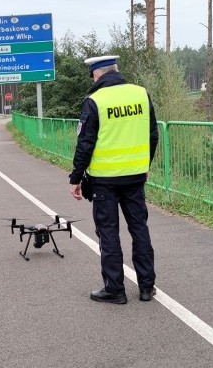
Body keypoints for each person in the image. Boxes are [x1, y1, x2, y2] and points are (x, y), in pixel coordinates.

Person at [68, 55, 159, 305]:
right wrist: (145, 165)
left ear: (96, 75)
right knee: (139, 229)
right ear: (115, 70)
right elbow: (153, 135)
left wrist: (75, 178)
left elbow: (85, 144)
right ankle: (146, 287)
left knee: (108, 232)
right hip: (135, 177)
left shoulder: (94, 101)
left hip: (104, 180)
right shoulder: (141, 94)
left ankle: (115, 289)